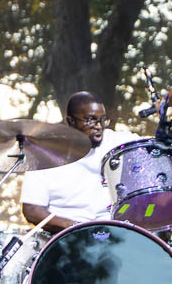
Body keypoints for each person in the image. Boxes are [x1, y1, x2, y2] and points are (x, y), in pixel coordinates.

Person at [21, 91, 139, 232]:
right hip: (64, 237)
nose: (99, 126)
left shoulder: (117, 142)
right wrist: (79, 229)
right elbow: (32, 210)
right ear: (70, 121)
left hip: (112, 235)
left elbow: (153, 146)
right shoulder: (44, 154)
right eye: (90, 120)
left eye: (102, 120)